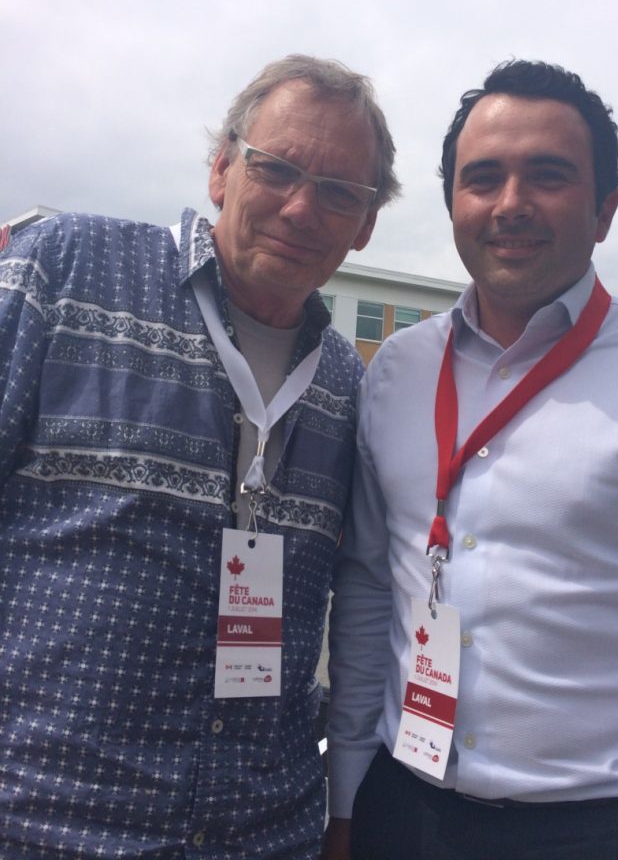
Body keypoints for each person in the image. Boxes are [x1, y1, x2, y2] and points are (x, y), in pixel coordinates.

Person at [324, 60, 618, 860]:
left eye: (549, 176)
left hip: (610, 829)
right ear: (454, 204)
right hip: (403, 810)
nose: (511, 204)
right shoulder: (396, 370)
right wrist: (347, 793)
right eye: (483, 178)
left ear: (605, 210)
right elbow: (365, 589)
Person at [0, 54, 399, 859]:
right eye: (277, 168)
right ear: (221, 168)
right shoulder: (66, 271)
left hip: (262, 834)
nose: (299, 207)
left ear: (365, 225)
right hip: (48, 822)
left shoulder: (351, 389)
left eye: (337, 192)